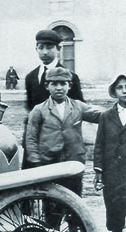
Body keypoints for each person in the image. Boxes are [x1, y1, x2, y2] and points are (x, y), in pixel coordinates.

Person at [25, 67, 100, 196]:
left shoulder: (78, 106)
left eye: (63, 83)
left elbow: (100, 116)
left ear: (69, 86)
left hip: (73, 162)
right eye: (54, 83)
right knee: (52, 201)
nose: (59, 88)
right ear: (46, 86)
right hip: (49, 164)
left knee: (74, 199)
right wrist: (36, 162)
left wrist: (120, 108)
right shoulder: (38, 110)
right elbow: (31, 138)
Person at [23, 29, 85, 168]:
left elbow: (77, 110)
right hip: (35, 144)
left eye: (49, 47)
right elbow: (30, 111)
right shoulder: (31, 77)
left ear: (58, 48)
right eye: (41, 47)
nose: (45, 52)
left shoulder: (70, 77)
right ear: (36, 49)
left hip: (60, 149)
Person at [93, 73, 126, 232]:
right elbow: (99, 145)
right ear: (114, 91)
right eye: (120, 87)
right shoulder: (106, 117)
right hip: (113, 175)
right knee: (115, 213)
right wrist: (99, 171)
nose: (125, 91)